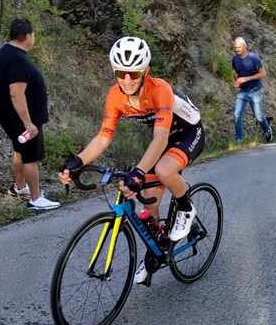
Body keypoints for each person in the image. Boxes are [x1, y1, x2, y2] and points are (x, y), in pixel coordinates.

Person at [57, 36, 204, 286]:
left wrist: (137, 171)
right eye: (121, 72)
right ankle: (156, 252)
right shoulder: (116, 96)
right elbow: (103, 137)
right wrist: (77, 162)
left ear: (145, 71)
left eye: (133, 73)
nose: (127, 80)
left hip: (188, 132)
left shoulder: (160, 89)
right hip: (165, 137)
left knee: (164, 170)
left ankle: (187, 209)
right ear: (115, 70)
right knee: (150, 204)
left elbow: (159, 138)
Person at [0, 18, 59, 210]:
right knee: (30, 156)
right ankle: (36, 198)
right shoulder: (17, 59)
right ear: (28, 36)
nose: (33, 38)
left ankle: (21, 186)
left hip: (10, 116)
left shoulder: (5, 53)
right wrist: (28, 123)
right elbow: (16, 93)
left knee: (20, 150)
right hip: (21, 118)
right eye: (33, 35)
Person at [232, 37, 274, 143]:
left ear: (245, 45)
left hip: (255, 91)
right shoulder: (235, 59)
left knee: (259, 116)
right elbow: (235, 72)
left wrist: (246, 78)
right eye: (236, 47)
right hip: (243, 91)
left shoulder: (253, 57)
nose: (237, 50)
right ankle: (239, 139)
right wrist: (237, 81)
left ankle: (267, 130)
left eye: (239, 47)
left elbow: (263, 73)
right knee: (236, 115)